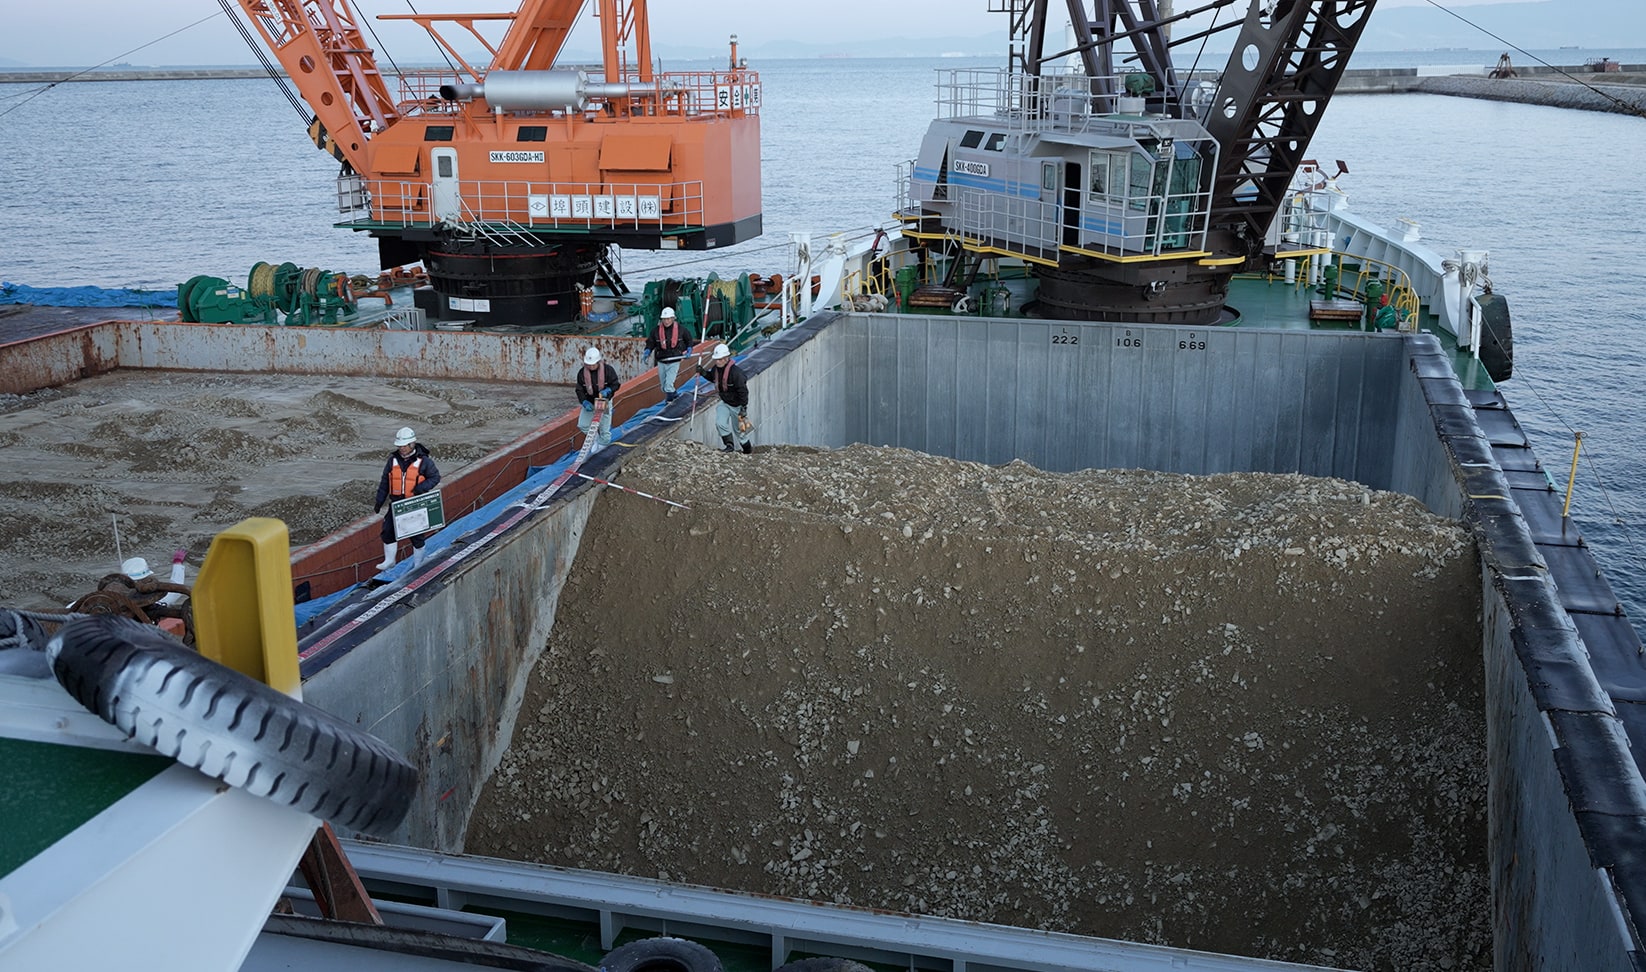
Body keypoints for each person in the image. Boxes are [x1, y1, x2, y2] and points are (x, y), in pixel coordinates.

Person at [374, 426, 441, 569]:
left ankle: (418, 564)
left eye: (404, 446)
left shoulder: (424, 462)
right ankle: (390, 560)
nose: (402, 449)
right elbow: (385, 481)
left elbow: (435, 477)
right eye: (400, 446)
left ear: (412, 444)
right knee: (388, 530)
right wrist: (379, 501)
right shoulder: (393, 461)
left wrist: (420, 488)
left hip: (414, 502)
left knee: (416, 535)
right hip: (397, 503)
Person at [696, 342, 752, 454]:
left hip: (737, 406)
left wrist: (743, 407)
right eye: (716, 359)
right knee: (720, 423)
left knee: (740, 432)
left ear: (726, 358)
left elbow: (743, 391)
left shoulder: (736, 374)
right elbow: (713, 378)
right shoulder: (716, 369)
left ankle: (747, 451)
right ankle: (729, 446)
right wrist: (703, 372)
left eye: (719, 359)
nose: (717, 362)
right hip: (725, 402)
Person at [643, 306, 694, 402]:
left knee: (668, 385)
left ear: (673, 318)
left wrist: (689, 349)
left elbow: (689, 340)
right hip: (662, 361)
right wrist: (647, 351)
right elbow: (650, 342)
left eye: (668, 319)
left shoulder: (681, 330)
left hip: (674, 360)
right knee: (663, 387)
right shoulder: (655, 331)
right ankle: (675, 396)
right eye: (664, 319)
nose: (666, 321)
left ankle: (669, 402)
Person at [576, 346, 622, 450]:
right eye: (588, 364)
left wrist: (608, 390)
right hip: (590, 401)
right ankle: (594, 439)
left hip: (604, 402)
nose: (591, 367)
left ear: (598, 362)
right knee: (583, 424)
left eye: (593, 365)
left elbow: (615, 384)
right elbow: (579, 389)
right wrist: (584, 402)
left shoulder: (608, 371)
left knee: (605, 430)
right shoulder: (582, 374)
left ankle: (602, 448)